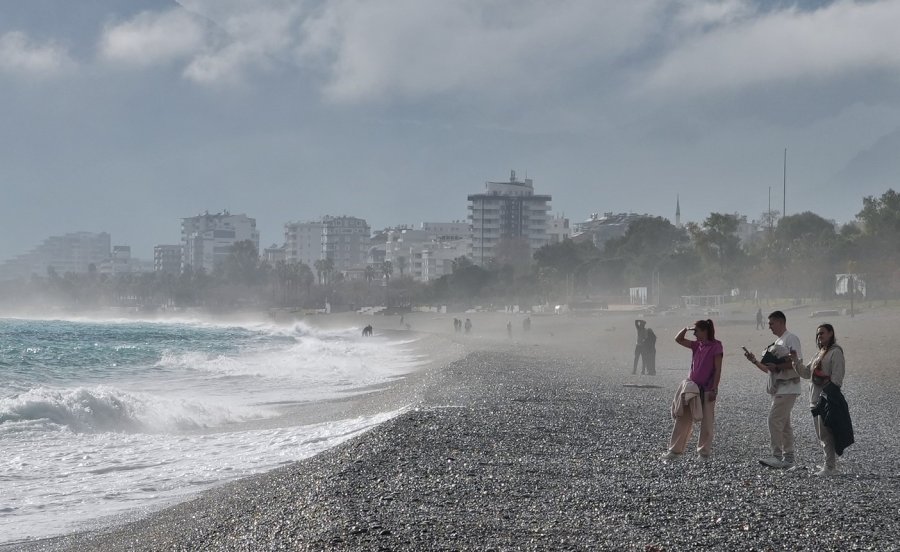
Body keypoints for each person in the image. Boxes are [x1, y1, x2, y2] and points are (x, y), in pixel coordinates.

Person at [743, 310, 803, 469]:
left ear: (781, 322)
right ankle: (789, 458)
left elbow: (796, 362)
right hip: (779, 388)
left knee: (774, 419)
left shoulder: (791, 338)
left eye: (771, 323)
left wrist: (777, 365)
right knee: (784, 424)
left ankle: (777, 456)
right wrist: (755, 361)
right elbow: (769, 370)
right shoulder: (777, 342)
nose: (769, 326)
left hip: (788, 387)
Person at [662, 319, 723, 461]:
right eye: (694, 331)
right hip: (692, 388)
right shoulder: (697, 346)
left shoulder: (716, 346)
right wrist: (686, 328)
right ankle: (675, 451)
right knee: (683, 418)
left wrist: (714, 389)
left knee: (707, 421)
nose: (694, 334)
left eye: (697, 331)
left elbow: (718, 369)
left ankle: (704, 453)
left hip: (707, 388)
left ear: (705, 331)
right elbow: (678, 339)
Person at [791, 323, 847, 476]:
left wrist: (824, 385)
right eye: (818, 334)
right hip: (814, 399)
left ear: (830, 333)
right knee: (821, 434)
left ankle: (830, 467)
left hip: (826, 399)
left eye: (822, 333)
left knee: (826, 433)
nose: (819, 336)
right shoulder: (819, 354)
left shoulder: (836, 352)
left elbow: (837, 379)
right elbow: (806, 373)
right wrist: (795, 361)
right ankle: (829, 464)